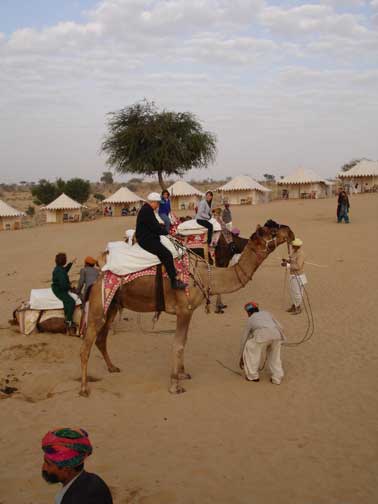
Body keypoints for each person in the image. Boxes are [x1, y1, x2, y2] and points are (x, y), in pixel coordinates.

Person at [41, 427, 113, 504]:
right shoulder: (94, 479)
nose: (44, 468)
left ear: (66, 469)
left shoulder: (78, 499)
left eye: (48, 464)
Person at [136, 192, 187, 290]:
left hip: (148, 236)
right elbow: (155, 227)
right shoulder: (147, 211)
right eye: (158, 203)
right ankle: (174, 281)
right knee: (167, 254)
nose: (158, 205)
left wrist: (163, 230)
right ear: (153, 202)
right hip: (146, 239)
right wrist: (167, 233)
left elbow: (154, 225)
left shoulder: (147, 209)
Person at [239, 302, 285, 384]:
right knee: (275, 356)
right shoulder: (267, 313)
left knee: (249, 347)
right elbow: (280, 326)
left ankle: (253, 376)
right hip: (277, 335)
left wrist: (242, 355)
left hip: (262, 335)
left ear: (248, 312)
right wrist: (280, 338)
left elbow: (244, 337)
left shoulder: (250, 319)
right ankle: (277, 378)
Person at [51, 253, 77, 332]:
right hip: (59, 290)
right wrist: (71, 287)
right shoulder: (60, 272)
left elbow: (65, 270)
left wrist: (71, 263)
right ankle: (69, 321)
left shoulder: (59, 268)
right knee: (71, 302)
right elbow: (63, 285)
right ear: (63, 261)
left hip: (57, 287)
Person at [281, 238, 307, 315]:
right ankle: (294, 305)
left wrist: (287, 265)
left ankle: (298, 307)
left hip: (298, 276)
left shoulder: (301, 254)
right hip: (292, 275)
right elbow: (292, 260)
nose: (292, 246)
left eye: (293, 245)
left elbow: (298, 266)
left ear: (296, 246)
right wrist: (287, 260)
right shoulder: (294, 252)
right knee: (292, 292)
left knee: (297, 293)